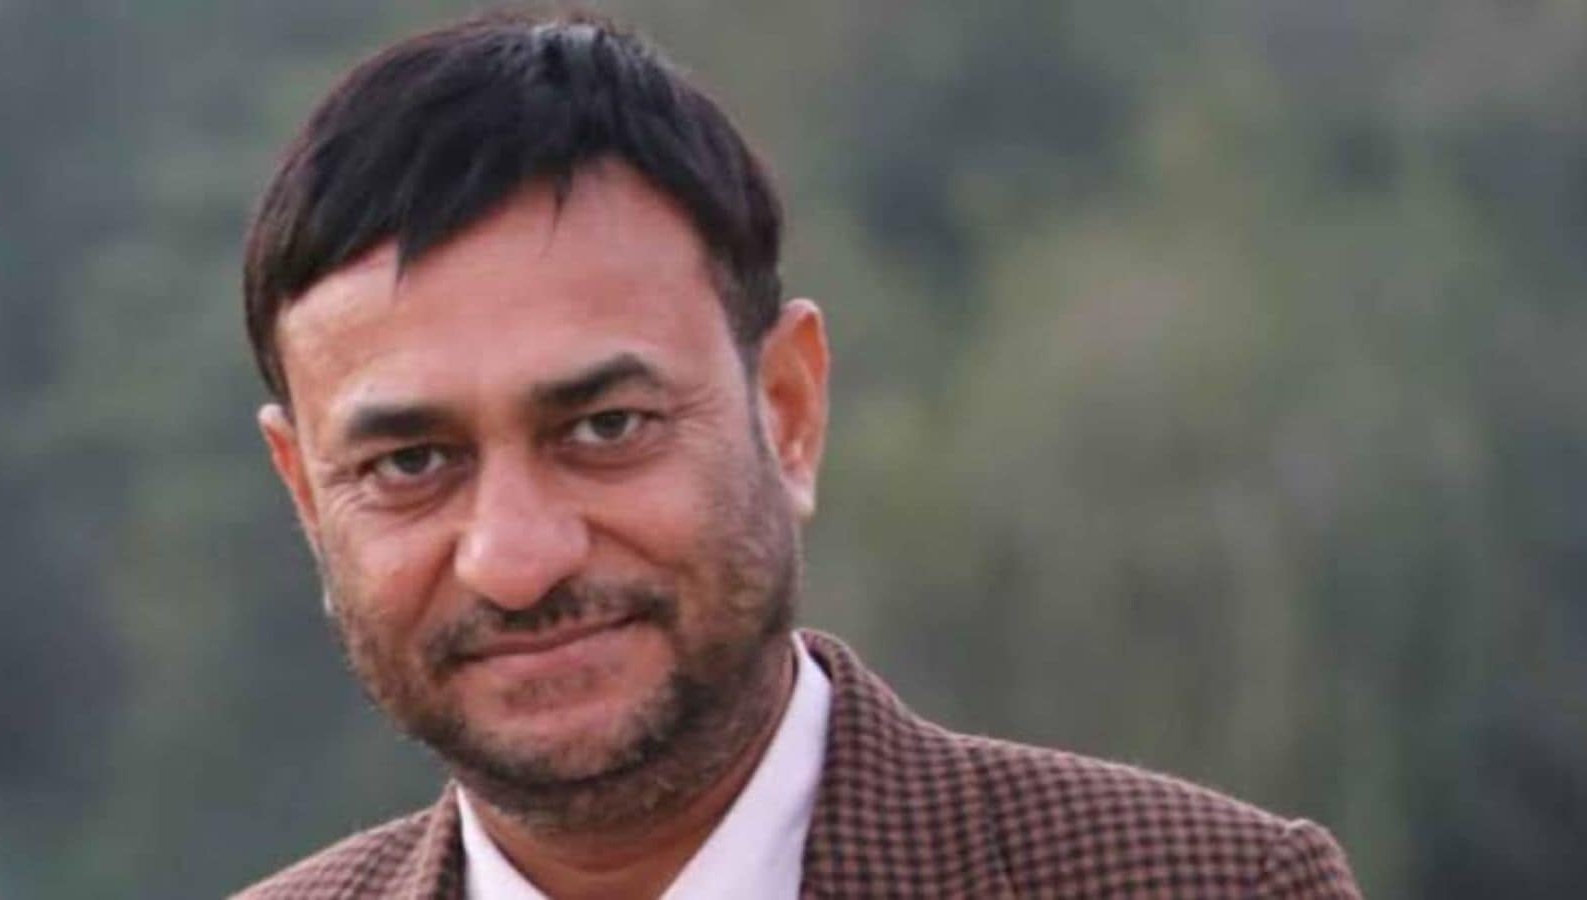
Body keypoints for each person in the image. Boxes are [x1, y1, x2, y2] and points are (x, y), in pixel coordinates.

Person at [234, 10, 1362, 899]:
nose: (517, 561)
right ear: (306, 496)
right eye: (411, 465)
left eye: (605, 429)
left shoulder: (1212, 885)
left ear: (787, 409)